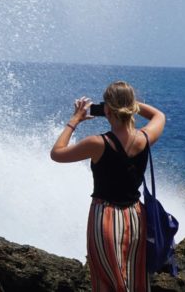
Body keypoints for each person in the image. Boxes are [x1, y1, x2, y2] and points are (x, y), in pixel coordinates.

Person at [49, 81, 166, 292]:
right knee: (135, 278)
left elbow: (57, 153)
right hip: (135, 216)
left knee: (107, 280)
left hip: (106, 216)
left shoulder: (97, 143)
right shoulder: (145, 138)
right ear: (131, 107)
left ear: (107, 109)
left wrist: (75, 119)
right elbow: (159, 116)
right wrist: (127, 102)